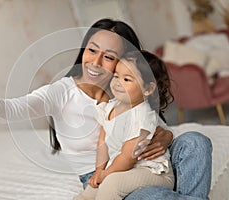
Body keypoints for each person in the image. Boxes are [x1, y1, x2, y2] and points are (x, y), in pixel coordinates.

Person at [0, 18, 212, 200]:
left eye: (110, 57)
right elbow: (12, 109)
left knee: (197, 141)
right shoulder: (62, 92)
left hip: (146, 162)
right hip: (105, 176)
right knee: (146, 195)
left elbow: (148, 123)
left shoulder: (127, 88)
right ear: (83, 50)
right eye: (92, 50)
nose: (95, 62)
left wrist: (166, 135)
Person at [73, 50, 175, 200]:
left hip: (151, 172)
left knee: (111, 184)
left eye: (126, 79)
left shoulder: (142, 116)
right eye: (116, 76)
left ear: (148, 89)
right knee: (89, 192)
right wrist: (99, 170)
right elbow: (103, 142)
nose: (118, 83)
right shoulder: (109, 107)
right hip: (121, 168)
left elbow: (129, 156)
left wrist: (106, 174)